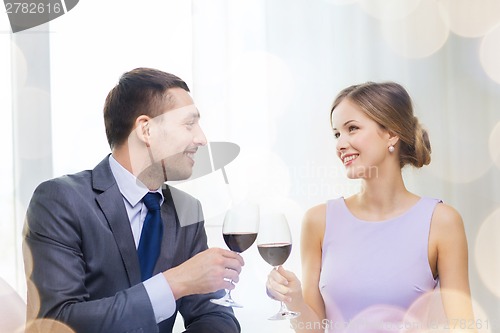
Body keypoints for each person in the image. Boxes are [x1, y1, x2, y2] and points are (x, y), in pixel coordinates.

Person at [23, 67, 243, 333]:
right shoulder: (60, 201)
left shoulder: (187, 209)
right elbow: (55, 321)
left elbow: (217, 316)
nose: (201, 138)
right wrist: (174, 283)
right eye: (189, 124)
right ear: (146, 130)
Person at [266, 82, 475, 332]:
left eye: (352, 128)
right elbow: (313, 329)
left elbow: (463, 326)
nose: (340, 144)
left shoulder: (441, 221)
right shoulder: (319, 221)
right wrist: (294, 298)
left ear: (391, 133)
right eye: (337, 134)